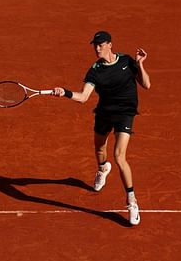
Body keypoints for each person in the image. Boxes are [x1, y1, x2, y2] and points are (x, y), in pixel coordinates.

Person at [53, 31, 151, 226]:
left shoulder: (126, 61)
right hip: (105, 113)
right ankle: (102, 169)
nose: (97, 48)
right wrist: (65, 92)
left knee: (119, 156)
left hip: (125, 113)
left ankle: (132, 202)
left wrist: (139, 63)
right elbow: (82, 97)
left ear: (110, 44)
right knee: (99, 149)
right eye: (94, 45)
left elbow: (146, 85)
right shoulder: (95, 71)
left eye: (100, 44)